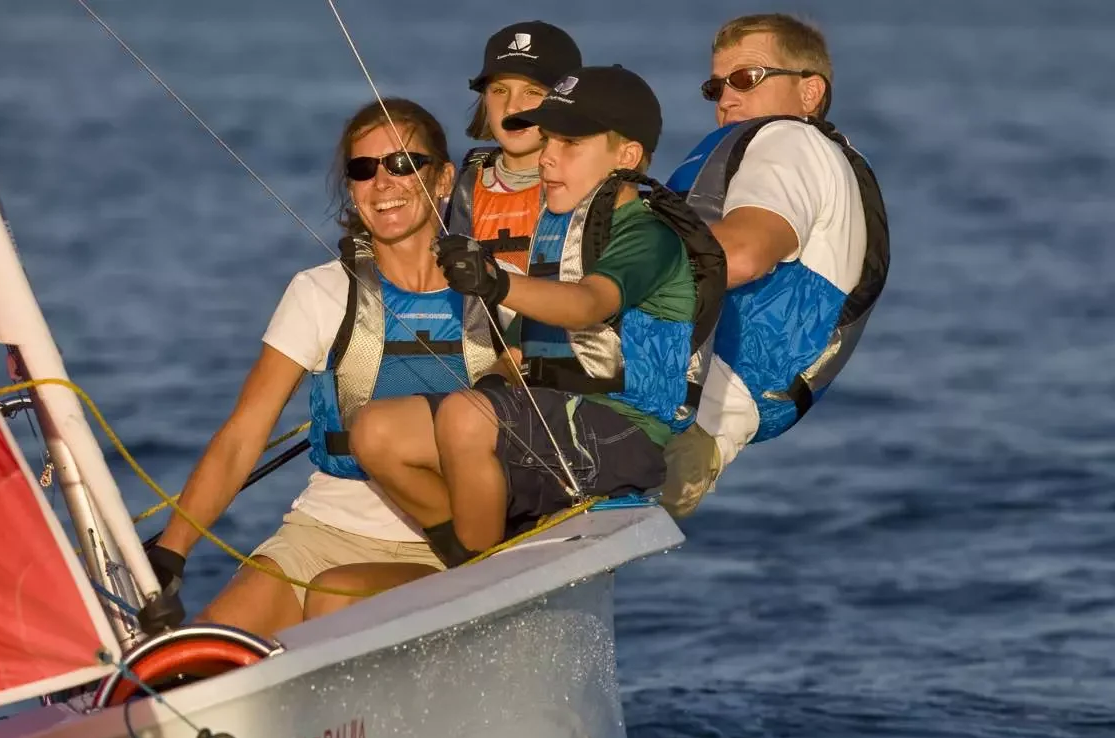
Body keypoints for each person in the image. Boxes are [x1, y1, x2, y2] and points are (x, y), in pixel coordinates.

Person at [300, 66, 726, 617]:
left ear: (626, 157)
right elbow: (527, 346)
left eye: (569, 143)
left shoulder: (645, 233)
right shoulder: (559, 226)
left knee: (466, 416)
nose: (546, 156)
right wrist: (497, 377)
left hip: (621, 437)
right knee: (376, 430)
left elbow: (588, 304)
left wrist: (496, 281)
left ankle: (483, 594)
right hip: (555, 422)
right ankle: (467, 560)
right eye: (547, 141)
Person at [143, 99, 503, 637]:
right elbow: (244, 434)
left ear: (444, 177)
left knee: (334, 605)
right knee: (210, 647)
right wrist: (171, 553)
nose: (384, 182)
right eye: (364, 169)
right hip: (322, 531)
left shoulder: (502, 288)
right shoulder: (317, 292)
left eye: (405, 163)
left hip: (448, 545)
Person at [660, 13, 889, 517]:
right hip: (713, 416)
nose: (727, 99)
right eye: (715, 87)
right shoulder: (811, 157)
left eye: (746, 79)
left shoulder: (790, 141)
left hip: (684, 414)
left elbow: (741, 256)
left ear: (809, 93)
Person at [447, 21, 583, 272]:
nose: (511, 108)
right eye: (499, 90)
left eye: (532, 92)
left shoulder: (595, 190)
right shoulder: (455, 194)